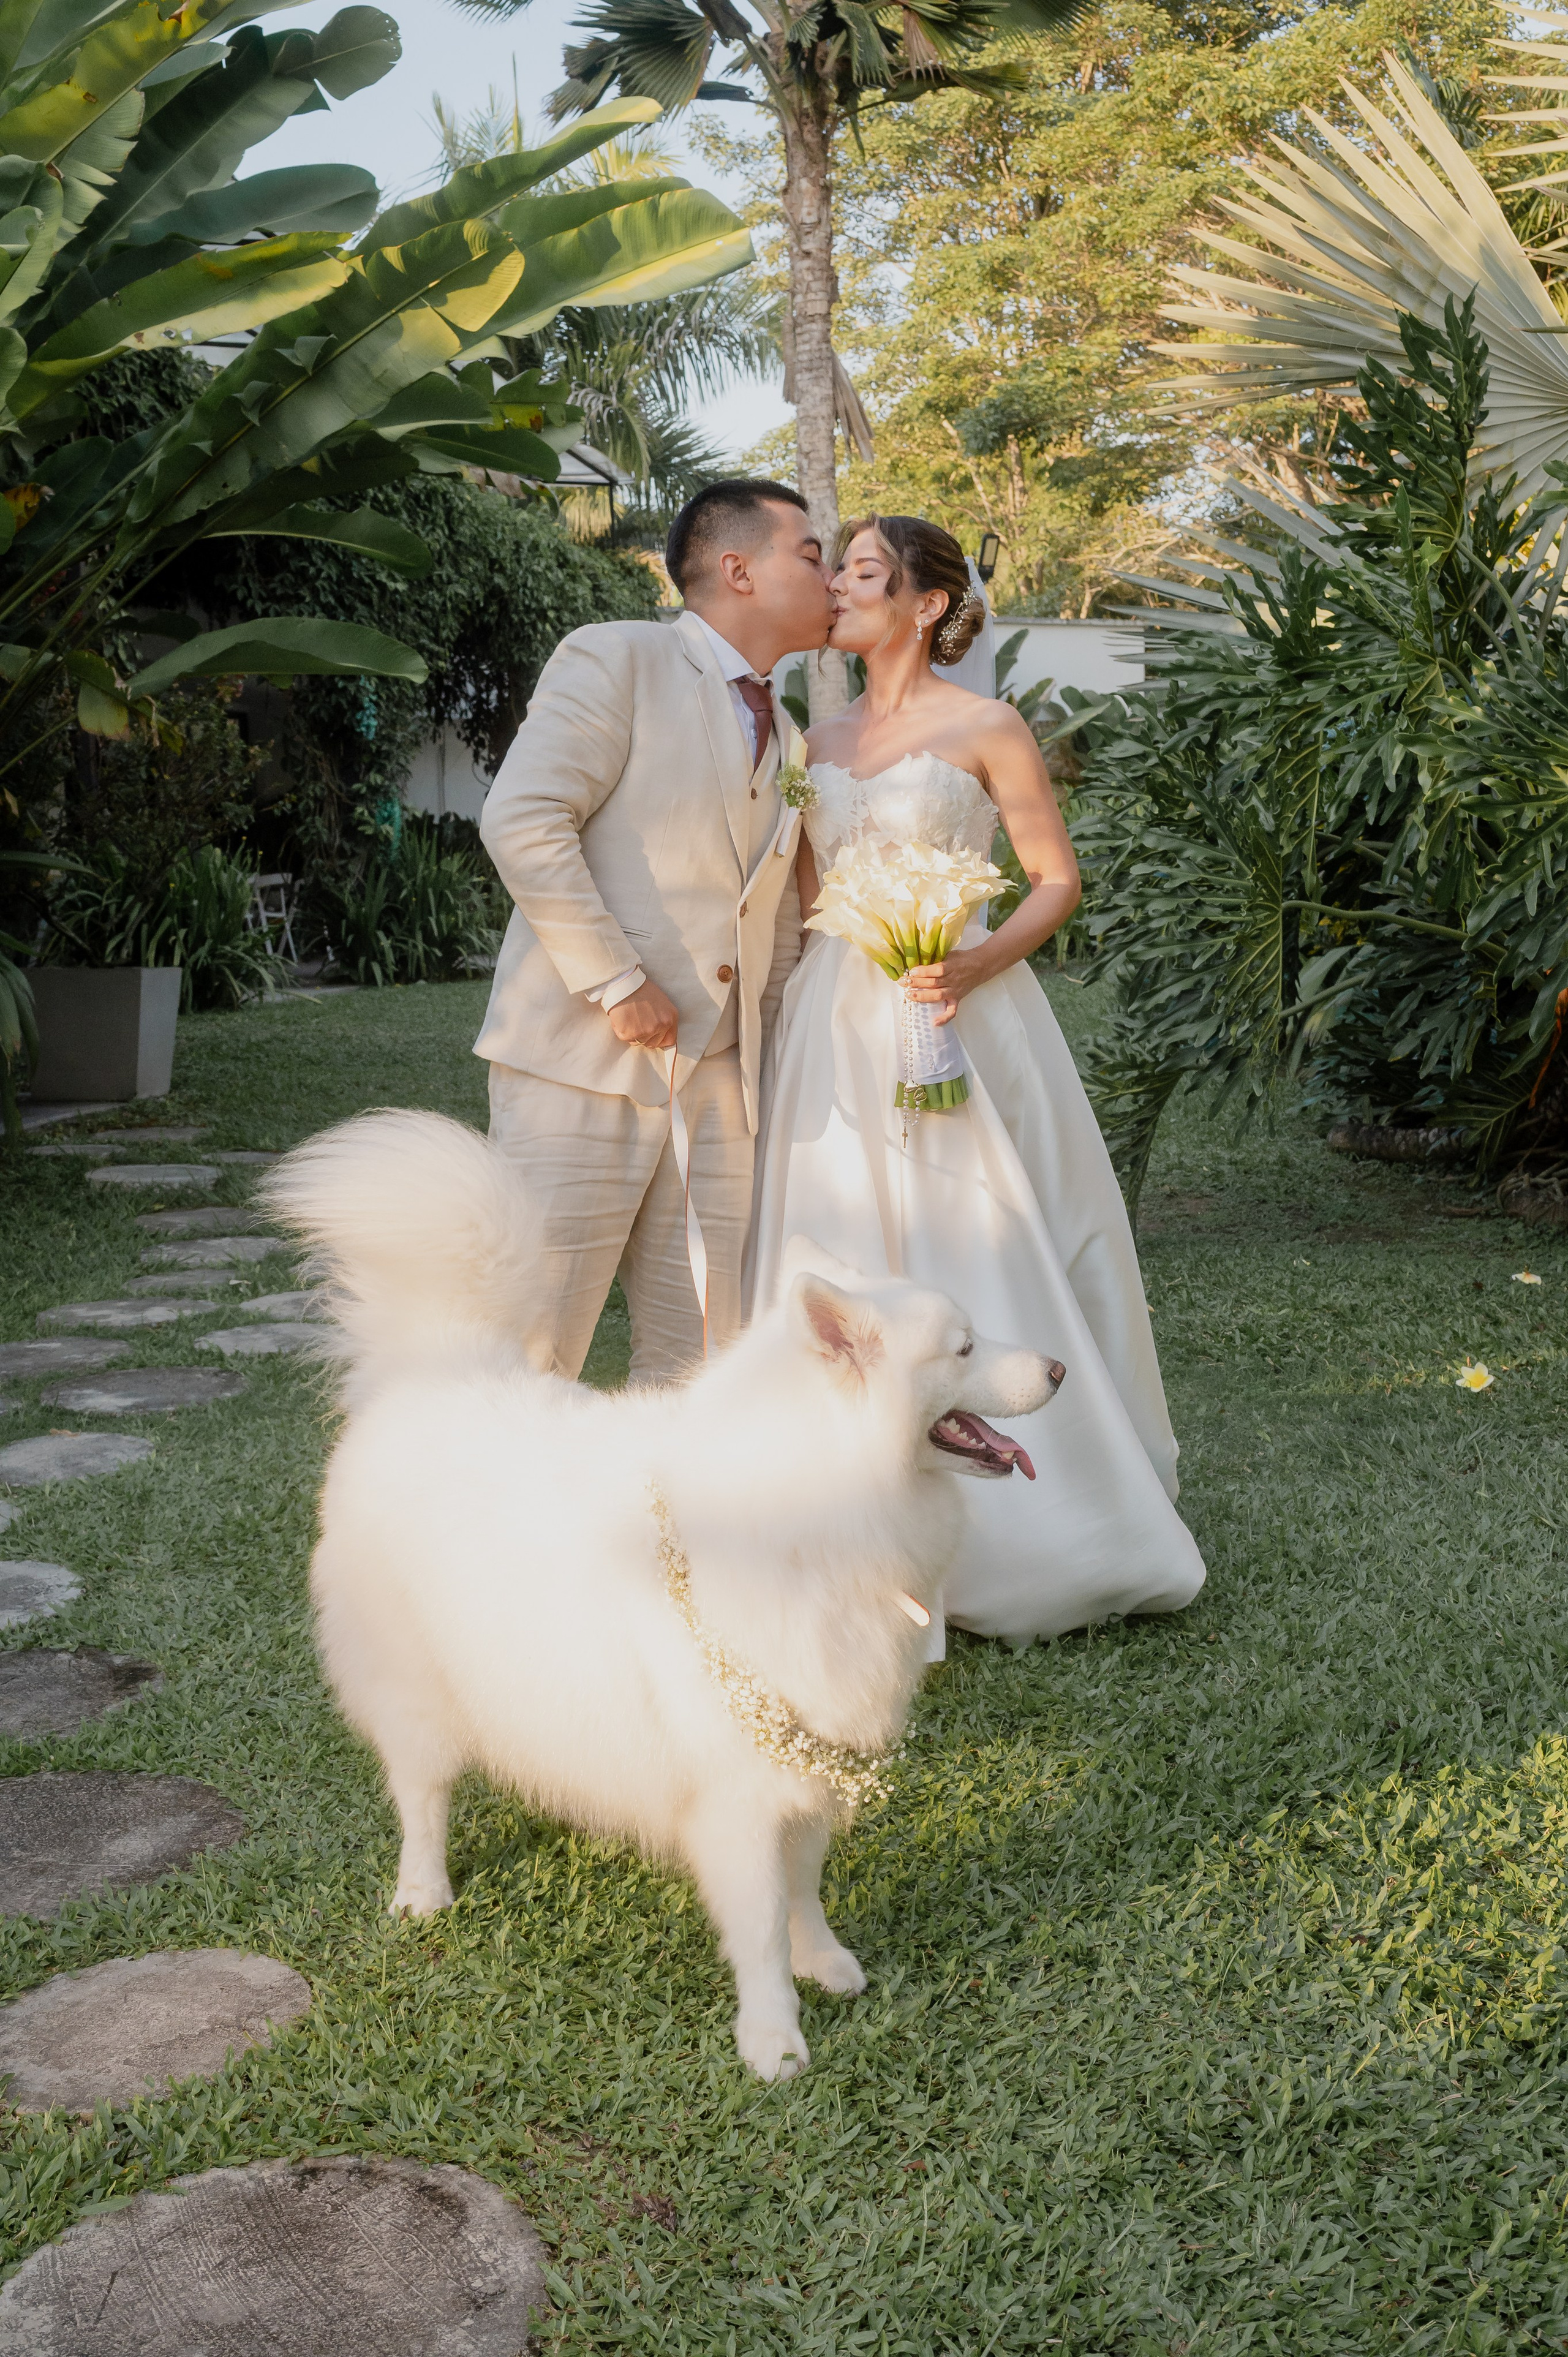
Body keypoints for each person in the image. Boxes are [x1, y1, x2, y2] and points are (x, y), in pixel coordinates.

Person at [745, 514, 1206, 1648]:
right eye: (837, 568)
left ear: (929, 603)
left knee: (984, 1226)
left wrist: (971, 964)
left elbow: (1054, 881)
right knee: (839, 1241)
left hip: (964, 1004)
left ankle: (1037, 1532)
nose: (839, 587)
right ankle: (841, 1535)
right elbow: (805, 902)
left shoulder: (988, 726)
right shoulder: (814, 738)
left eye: (863, 571)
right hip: (836, 1023)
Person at [475, 480, 834, 1383]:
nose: (830, 578)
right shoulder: (619, 657)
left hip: (721, 1091)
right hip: (581, 1063)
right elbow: (523, 817)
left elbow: (771, 916)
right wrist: (618, 981)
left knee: (704, 1363)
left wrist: (771, 1060)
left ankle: (674, 1488)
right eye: (811, 556)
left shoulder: (792, 738)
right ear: (739, 570)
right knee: (530, 1345)